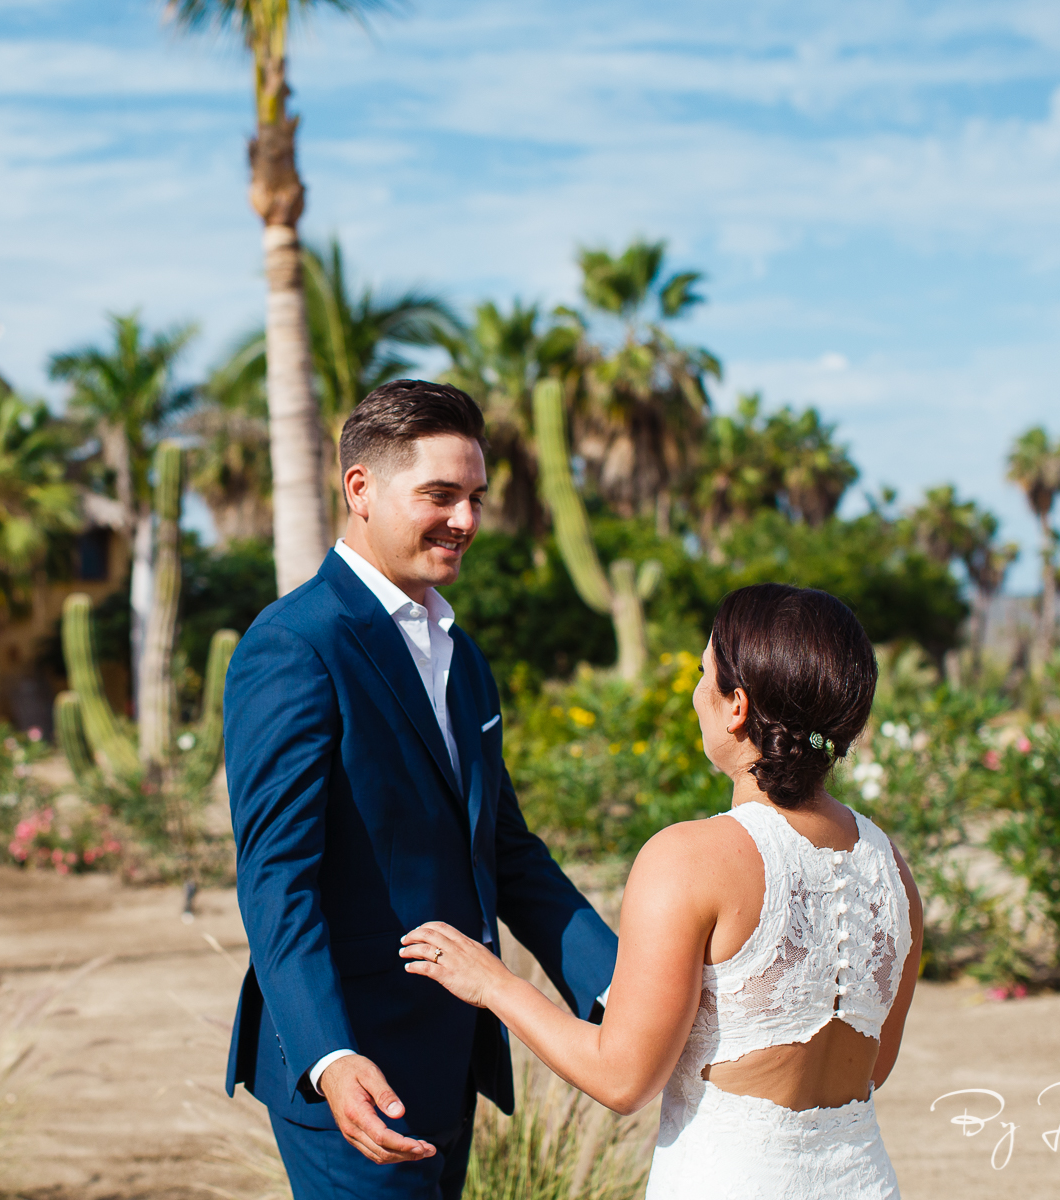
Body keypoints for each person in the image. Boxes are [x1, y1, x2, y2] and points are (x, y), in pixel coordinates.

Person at [221, 380, 619, 1199]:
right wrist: (330, 1058)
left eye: (474, 497)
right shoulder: (294, 645)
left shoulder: (460, 654)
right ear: (359, 489)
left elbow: (504, 849)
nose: (466, 520)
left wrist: (618, 983)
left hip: (451, 1055)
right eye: (439, 495)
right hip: (350, 1072)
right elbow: (275, 878)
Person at [402, 583, 924, 1199]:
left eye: (705, 675)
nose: (696, 695)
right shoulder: (891, 868)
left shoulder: (690, 859)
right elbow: (873, 1067)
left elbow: (622, 1079)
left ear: (737, 706)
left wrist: (493, 984)